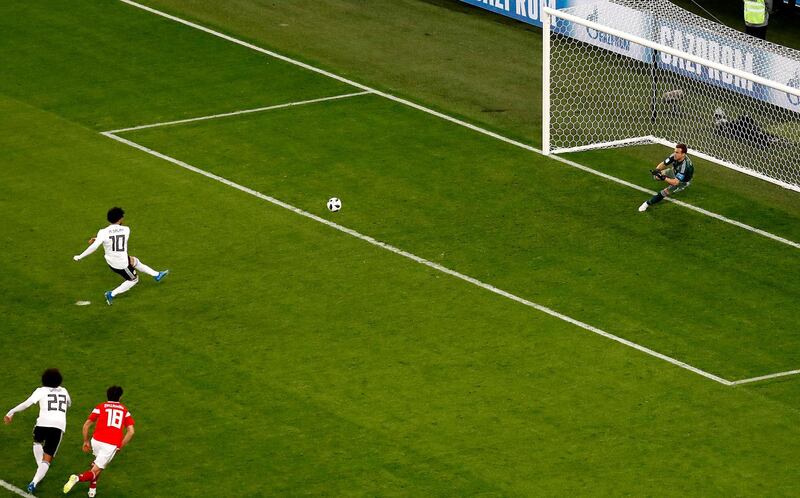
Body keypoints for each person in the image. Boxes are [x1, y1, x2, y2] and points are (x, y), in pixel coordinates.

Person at [73, 207, 169, 305]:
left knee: (134, 261)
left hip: (112, 260)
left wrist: (81, 255)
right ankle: (111, 294)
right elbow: (116, 236)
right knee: (134, 280)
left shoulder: (103, 232)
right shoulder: (126, 230)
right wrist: (96, 240)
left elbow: (95, 246)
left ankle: (157, 275)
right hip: (121, 263)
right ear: (120, 219)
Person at [3, 369, 71, 495]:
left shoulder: (41, 390)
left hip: (43, 423)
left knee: (37, 442)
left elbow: (26, 404)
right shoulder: (64, 391)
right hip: (58, 426)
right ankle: (34, 481)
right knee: (47, 459)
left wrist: (11, 412)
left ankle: (40, 470)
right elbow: (69, 404)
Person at [63, 386, 135, 498]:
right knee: (96, 470)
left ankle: (92, 488)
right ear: (120, 397)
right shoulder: (125, 411)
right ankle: (77, 478)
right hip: (110, 445)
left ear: (107, 395)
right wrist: (120, 446)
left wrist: (86, 441)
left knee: (97, 466)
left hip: (96, 441)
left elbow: (86, 425)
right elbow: (131, 431)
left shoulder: (100, 407)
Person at [638, 143, 694, 212]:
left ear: (683, 154)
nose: (674, 154)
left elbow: (676, 182)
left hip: (682, 181)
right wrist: (657, 170)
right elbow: (663, 163)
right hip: (674, 172)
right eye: (674, 151)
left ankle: (647, 203)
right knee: (656, 177)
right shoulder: (674, 156)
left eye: (677, 152)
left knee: (665, 192)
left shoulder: (685, 166)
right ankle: (665, 177)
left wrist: (664, 178)